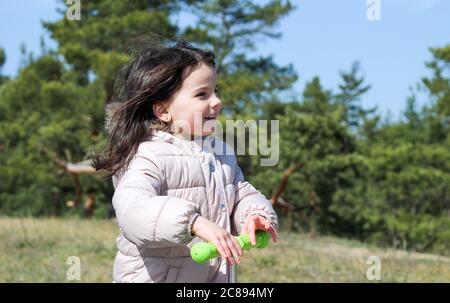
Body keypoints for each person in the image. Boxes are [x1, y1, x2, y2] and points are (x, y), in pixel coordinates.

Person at [93, 39, 278, 283]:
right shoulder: (147, 154)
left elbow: (240, 193)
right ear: (163, 110)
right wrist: (193, 223)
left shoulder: (221, 154)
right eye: (202, 94)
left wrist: (253, 214)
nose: (216, 101)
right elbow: (133, 209)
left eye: (215, 91)